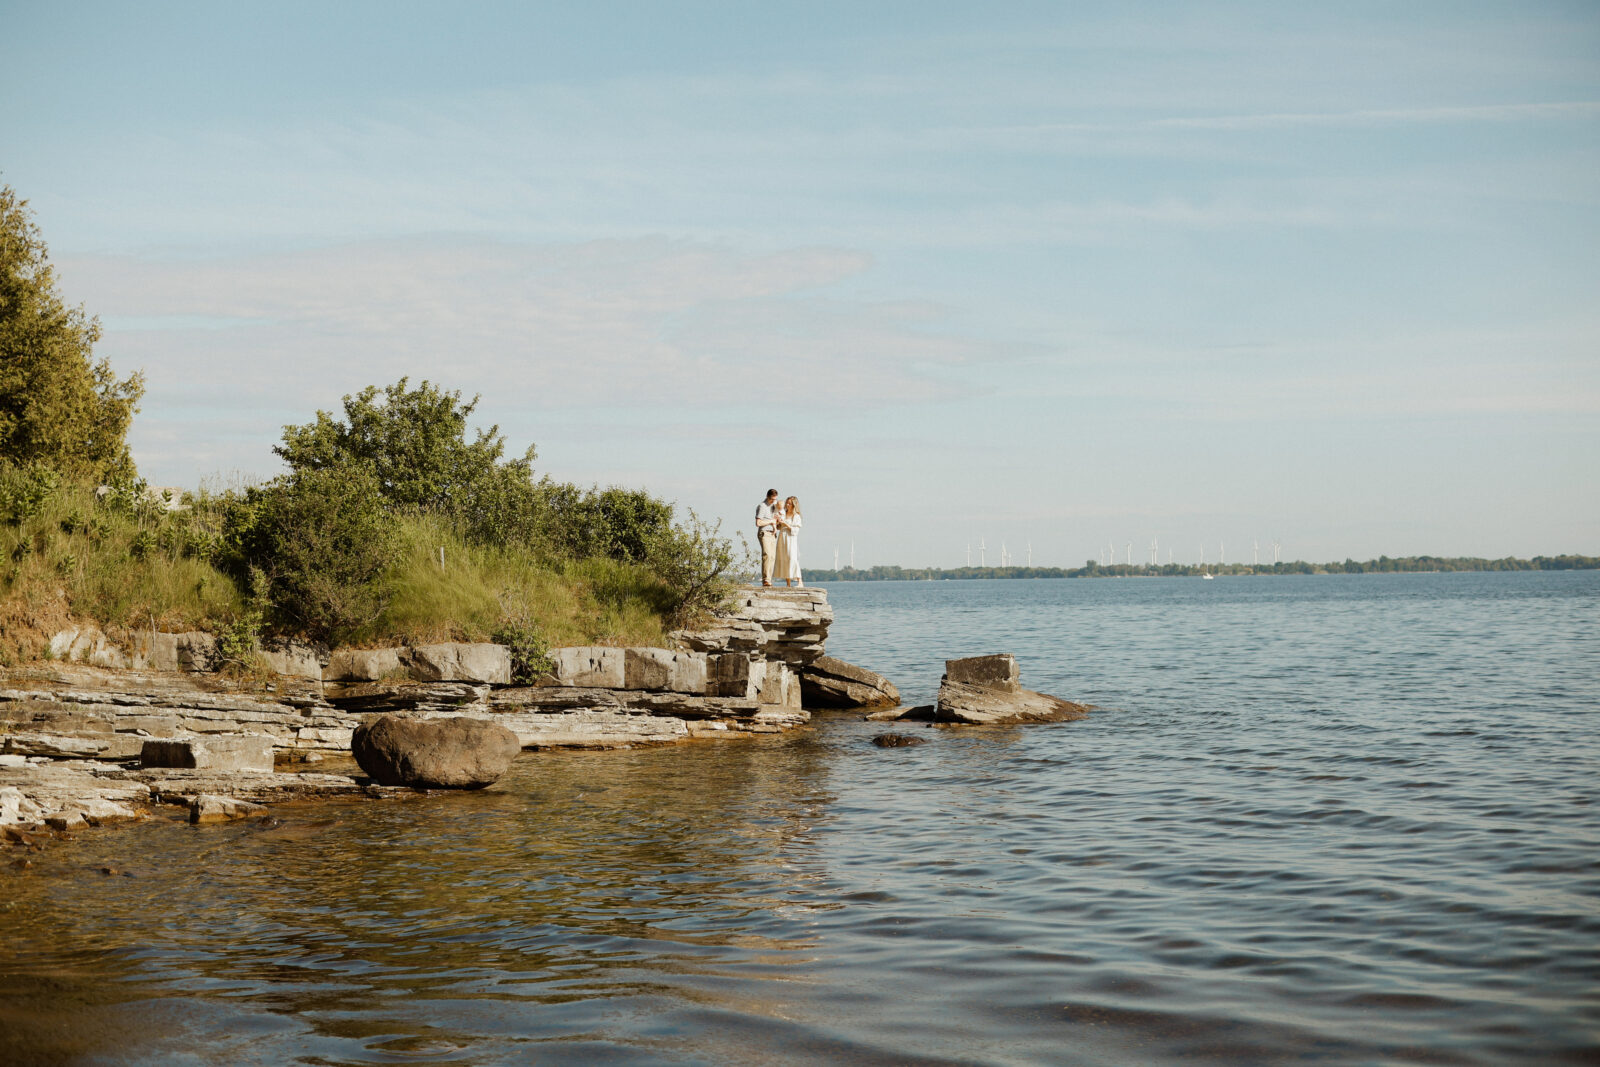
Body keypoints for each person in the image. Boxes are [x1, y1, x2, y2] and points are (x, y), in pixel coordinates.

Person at [775, 495, 802, 587]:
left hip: (791, 539)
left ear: (794, 505)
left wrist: (785, 524)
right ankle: (788, 583)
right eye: (787, 502)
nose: (787, 505)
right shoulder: (783, 513)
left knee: (792, 558)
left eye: (789, 503)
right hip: (782, 538)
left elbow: (795, 531)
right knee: (784, 558)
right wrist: (778, 522)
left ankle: (800, 581)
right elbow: (779, 527)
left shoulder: (796, 516)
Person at [755, 489, 779, 587]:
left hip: (772, 533)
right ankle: (765, 579)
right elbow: (758, 523)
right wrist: (770, 522)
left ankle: (769, 579)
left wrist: (776, 522)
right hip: (764, 532)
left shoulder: (774, 506)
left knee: (772, 557)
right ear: (767, 496)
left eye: (775, 499)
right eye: (771, 499)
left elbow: (775, 518)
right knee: (767, 555)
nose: (773, 501)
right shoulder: (762, 506)